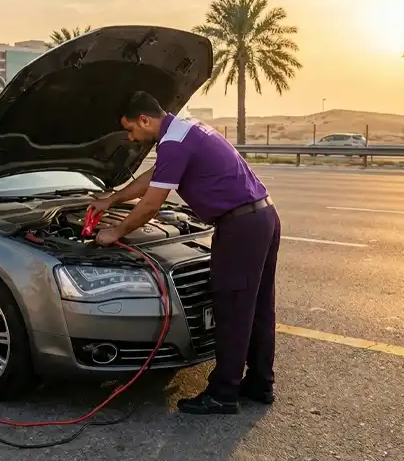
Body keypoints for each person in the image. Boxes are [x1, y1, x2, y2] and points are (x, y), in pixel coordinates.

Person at [88, 91, 280, 415]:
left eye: (131, 129)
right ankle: (260, 383)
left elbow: (151, 202)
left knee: (233, 309)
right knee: (258, 306)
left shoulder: (174, 142)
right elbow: (153, 178)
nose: (131, 138)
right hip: (262, 217)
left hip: (241, 227)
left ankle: (223, 394)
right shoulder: (185, 129)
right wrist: (112, 200)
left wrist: (115, 232)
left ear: (145, 120)